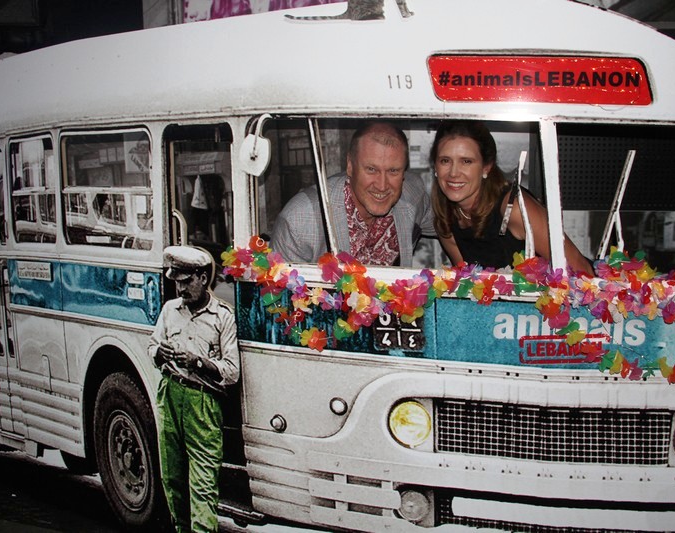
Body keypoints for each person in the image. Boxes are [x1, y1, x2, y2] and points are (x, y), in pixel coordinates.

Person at [148, 245, 240, 533]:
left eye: (187, 282)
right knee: (172, 477)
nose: (181, 289)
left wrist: (198, 363)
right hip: (170, 394)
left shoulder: (222, 316)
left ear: (202, 278)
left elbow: (232, 371)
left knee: (203, 482)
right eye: (177, 282)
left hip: (203, 403)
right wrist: (160, 353)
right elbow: (152, 346)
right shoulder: (169, 310)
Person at [430, 120, 593, 275]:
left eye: (466, 161)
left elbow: (582, 271)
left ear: (486, 167)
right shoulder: (445, 219)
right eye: (445, 161)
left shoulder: (514, 208)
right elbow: (466, 284)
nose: (453, 173)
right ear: (435, 166)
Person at [272, 122, 433, 266]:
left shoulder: (413, 194)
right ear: (350, 166)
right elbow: (279, 288)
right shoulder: (299, 221)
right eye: (371, 169)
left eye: (393, 171)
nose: (382, 185)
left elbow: (444, 226)